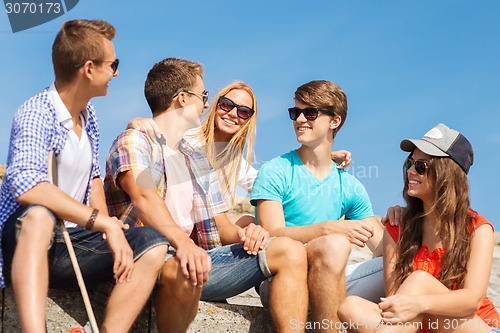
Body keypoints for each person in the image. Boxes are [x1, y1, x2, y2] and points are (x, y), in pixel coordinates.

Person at [104, 57, 308, 332]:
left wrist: (249, 233)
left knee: (290, 250)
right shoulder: (137, 140)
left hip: (198, 258)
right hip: (150, 257)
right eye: (204, 96)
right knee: (184, 270)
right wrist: (185, 246)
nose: (206, 103)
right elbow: (144, 197)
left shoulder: (197, 159)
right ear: (182, 99)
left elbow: (219, 223)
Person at [0, 19, 169, 332]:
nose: (116, 72)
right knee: (38, 216)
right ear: (89, 68)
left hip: (72, 242)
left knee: (153, 243)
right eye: (113, 64)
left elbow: (93, 181)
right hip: (26, 241)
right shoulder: (37, 112)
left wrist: (110, 230)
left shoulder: (88, 115)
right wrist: (101, 221)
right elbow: (25, 185)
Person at [250, 80, 385, 333]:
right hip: (283, 280)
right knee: (334, 242)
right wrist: (327, 229)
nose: (300, 119)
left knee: (405, 267)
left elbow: (381, 248)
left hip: (331, 278)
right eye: (295, 112)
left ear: (335, 121)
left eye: (310, 112)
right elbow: (271, 233)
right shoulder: (275, 171)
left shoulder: (350, 185)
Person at [338, 123, 500, 333]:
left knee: (419, 280)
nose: (411, 172)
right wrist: (414, 307)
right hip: (416, 326)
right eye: (409, 164)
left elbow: (472, 301)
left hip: (473, 325)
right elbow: (396, 299)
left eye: (421, 166)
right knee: (350, 307)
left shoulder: (477, 228)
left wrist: (420, 304)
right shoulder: (398, 225)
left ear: (447, 174)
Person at [127, 81, 352, 226]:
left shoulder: (236, 162)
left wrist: (320, 158)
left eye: (243, 111)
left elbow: (272, 183)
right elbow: (157, 134)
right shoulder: (189, 137)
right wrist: (136, 122)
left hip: (205, 233)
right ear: (216, 105)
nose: (233, 114)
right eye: (226, 105)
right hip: (164, 225)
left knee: (248, 221)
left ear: (248, 120)